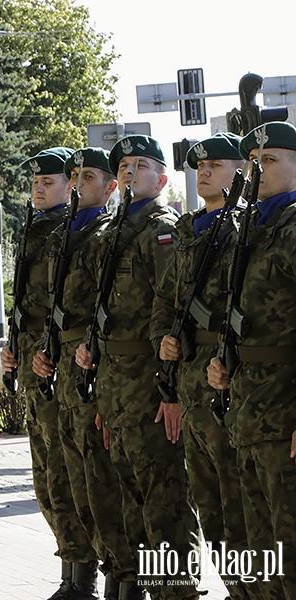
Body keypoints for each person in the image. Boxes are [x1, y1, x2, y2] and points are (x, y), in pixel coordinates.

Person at [76, 135, 200, 600]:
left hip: (150, 384)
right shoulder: (109, 234)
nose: (129, 172)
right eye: (124, 165)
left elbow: (173, 314)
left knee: (163, 498)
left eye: (141, 165)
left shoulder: (162, 230)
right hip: (115, 384)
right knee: (131, 495)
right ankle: (146, 586)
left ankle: (176, 591)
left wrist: (170, 393)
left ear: (162, 178)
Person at [152, 133, 259, 600]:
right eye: (200, 165)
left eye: (216, 164)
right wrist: (164, 341)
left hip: (230, 381)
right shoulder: (189, 229)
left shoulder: (248, 226)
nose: (205, 172)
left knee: (241, 506)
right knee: (211, 507)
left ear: (243, 171)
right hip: (193, 383)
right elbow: (164, 300)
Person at [31, 147, 135, 599]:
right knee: (71, 482)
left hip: (99, 371)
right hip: (65, 366)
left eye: (88, 176)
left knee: (105, 486)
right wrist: (39, 350)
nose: (76, 184)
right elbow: (48, 308)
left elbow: (110, 309)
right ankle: (82, 579)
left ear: (111, 186)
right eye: (74, 175)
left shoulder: (107, 233)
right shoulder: (63, 234)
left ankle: (121, 581)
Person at [1, 147, 98, 597]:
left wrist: (43, 347)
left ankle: (83, 575)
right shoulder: (39, 226)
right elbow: (28, 300)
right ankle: (68, 569)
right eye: (35, 182)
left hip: (58, 360)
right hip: (34, 361)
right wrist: (14, 346)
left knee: (67, 474)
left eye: (49, 181)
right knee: (46, 478)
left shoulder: (70, 230)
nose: (39, 187)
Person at [207, 122, 296, 600]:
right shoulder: (249, 228)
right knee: (263, 555)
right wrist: (224, 364)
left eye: (273, 160)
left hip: (285, 410)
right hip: (247, 409)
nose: (261, 170)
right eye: (255, 162)